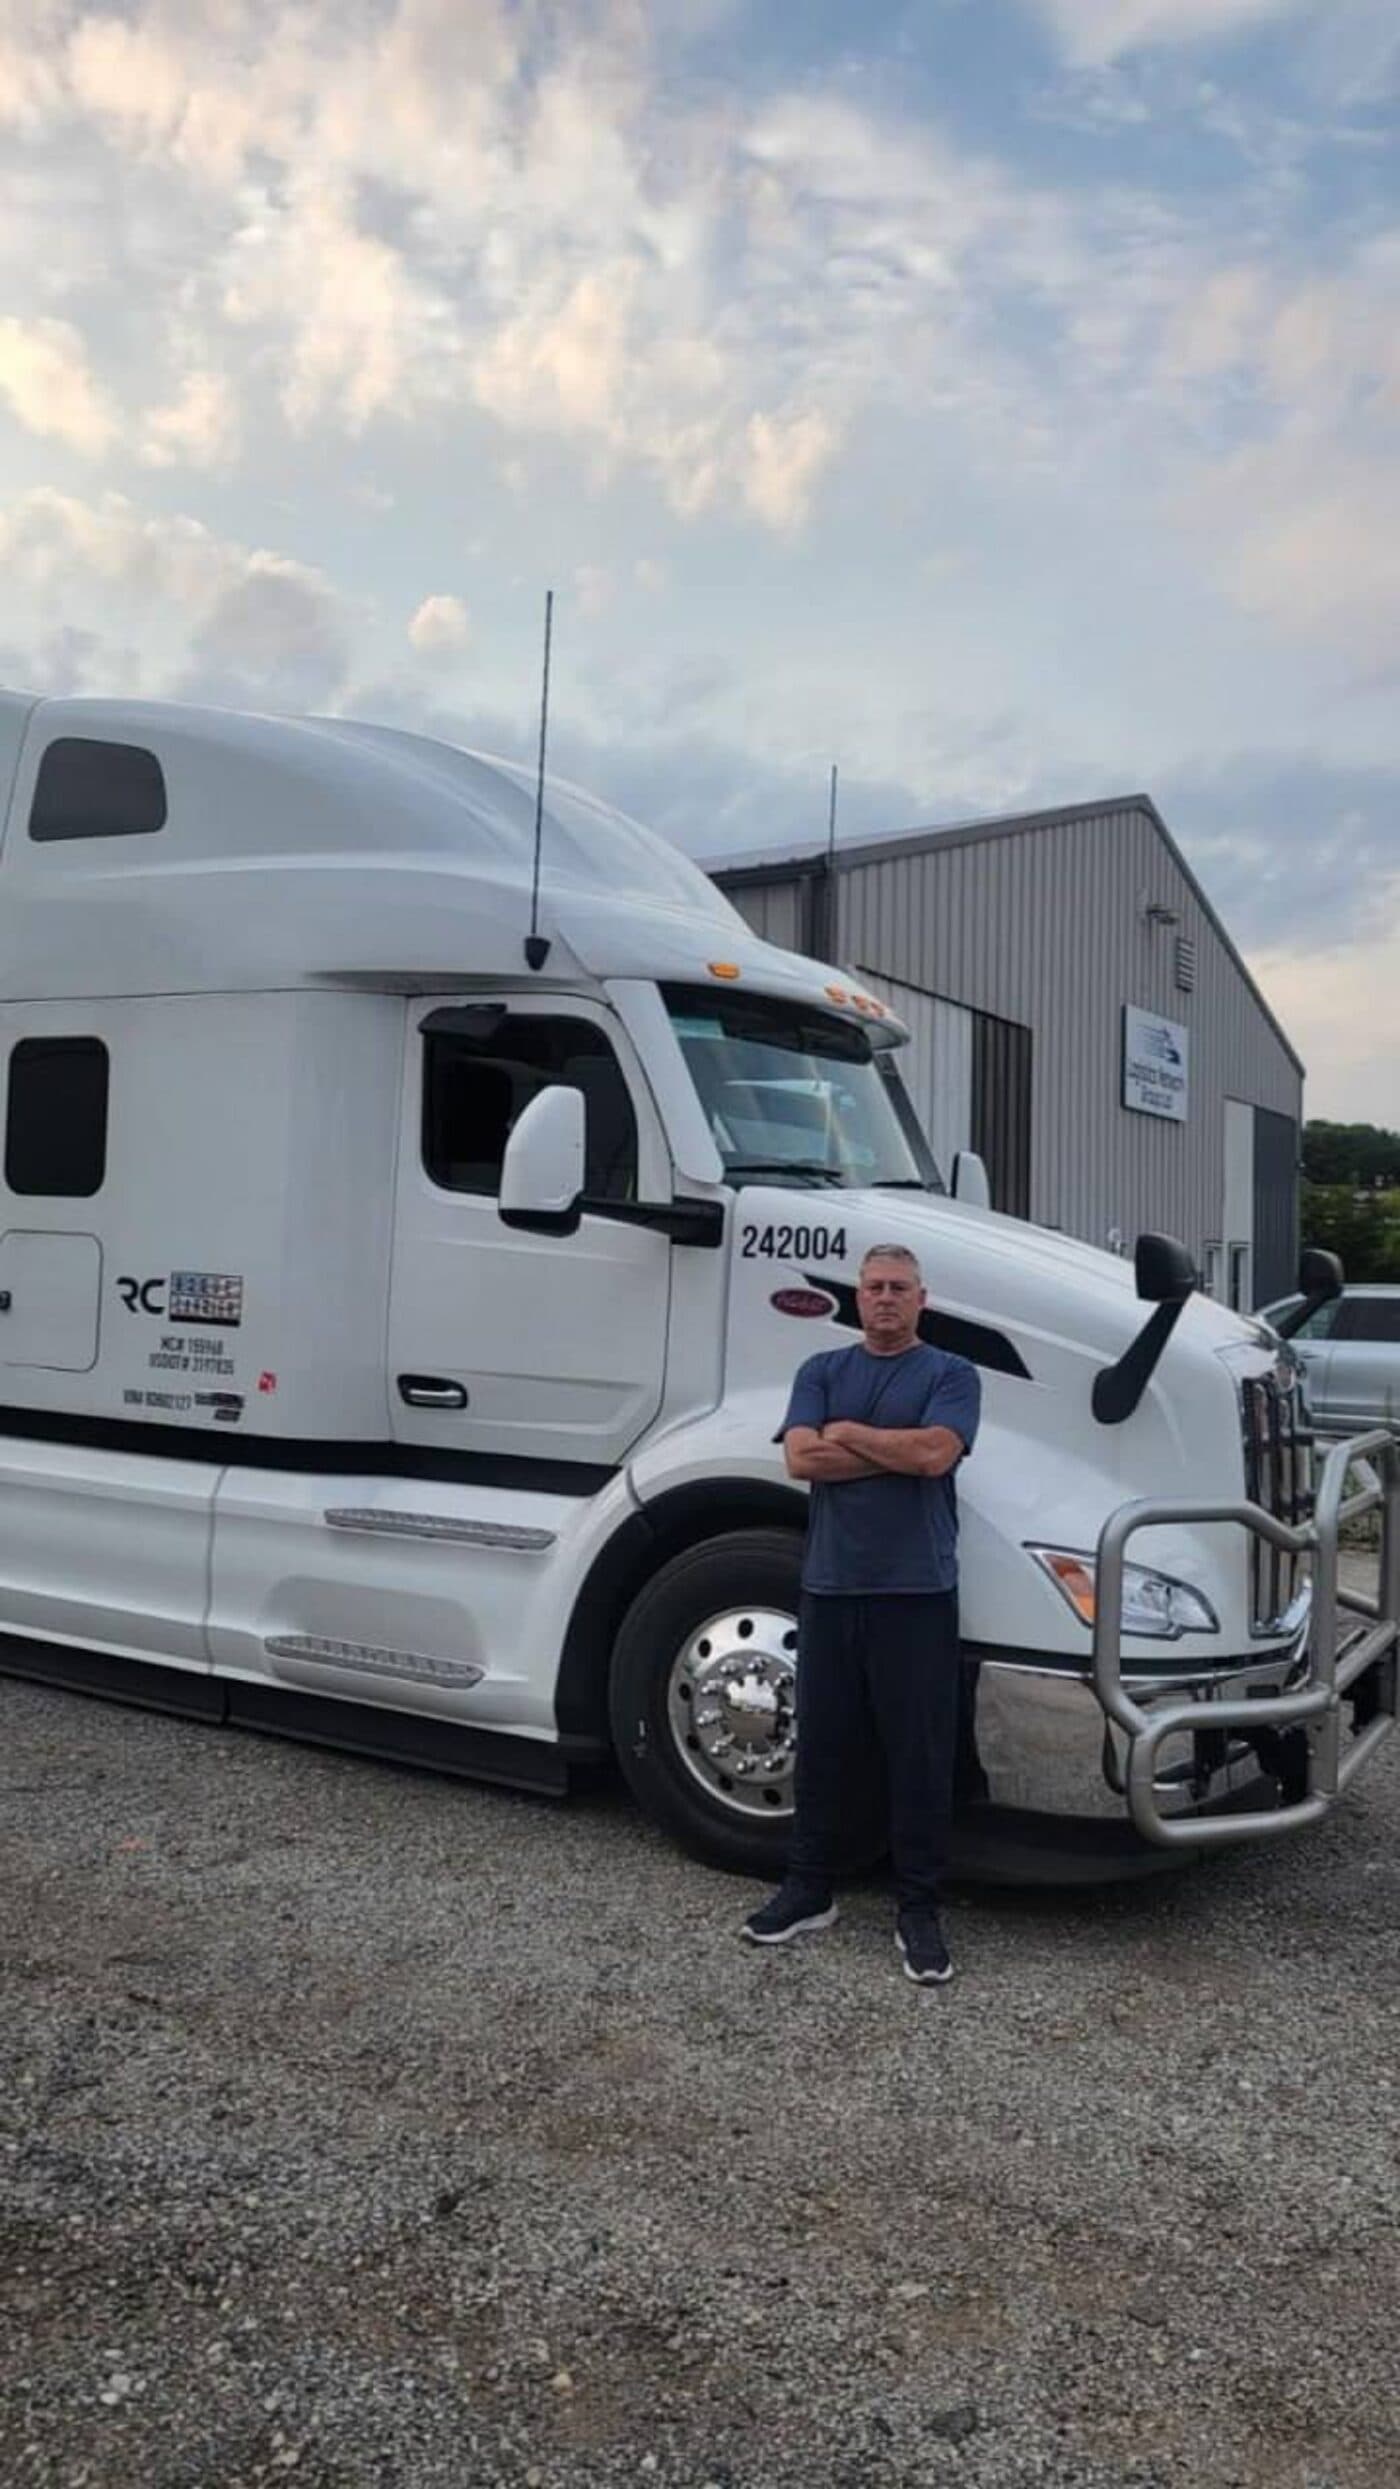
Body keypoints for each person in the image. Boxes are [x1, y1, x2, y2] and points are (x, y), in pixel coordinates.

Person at [741, 1243, 980, 1984]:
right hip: (831, 1587)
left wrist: (848, 1433)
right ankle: (809, 1888)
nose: (884, 1298)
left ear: (922, 1299)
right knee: (825, 1745)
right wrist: (891, 1449)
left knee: (918, 1753)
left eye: (898, 1287)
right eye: (873, 1286)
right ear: (857, 1296)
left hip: (918, 1591)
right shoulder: (821, 1371)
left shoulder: (951, 1373)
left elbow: (938, 1454)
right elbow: (802, 1461)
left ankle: (918, 1909)